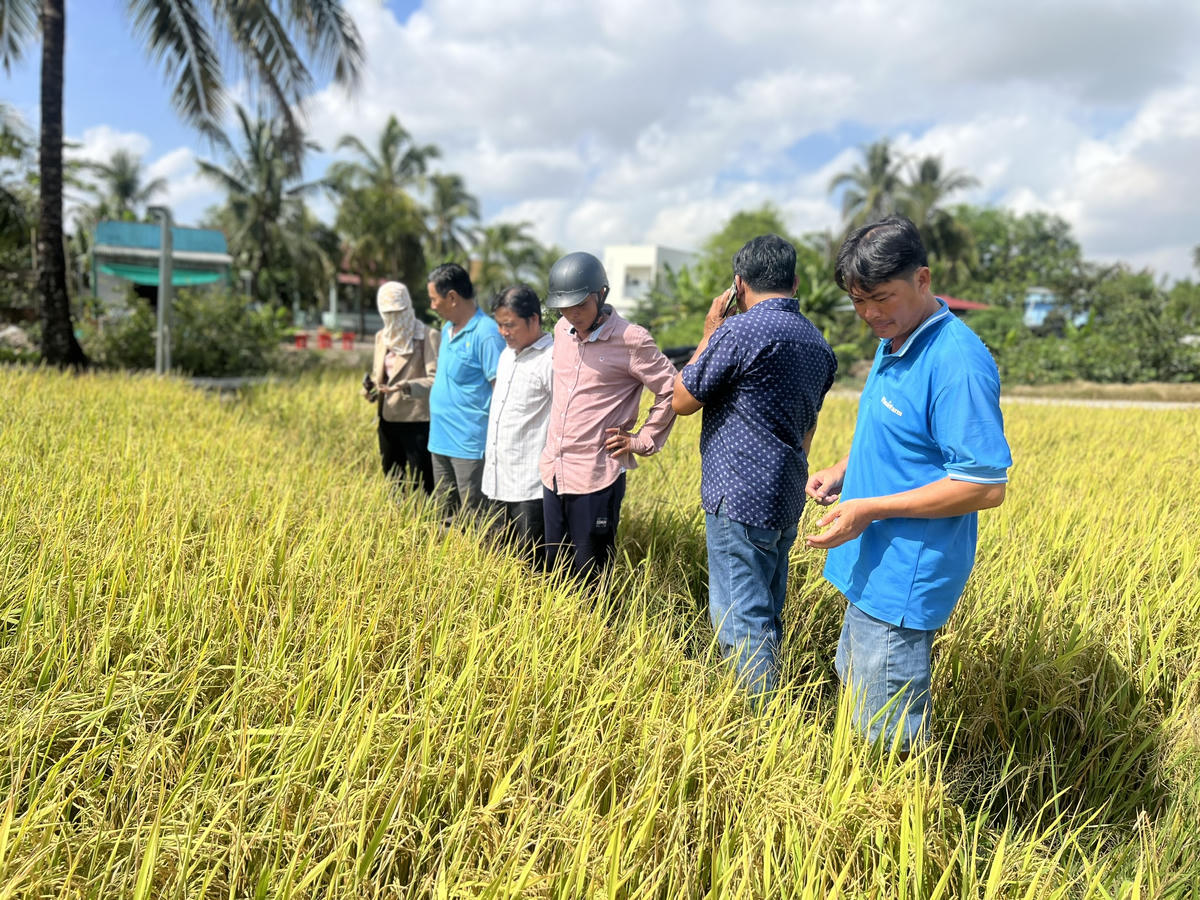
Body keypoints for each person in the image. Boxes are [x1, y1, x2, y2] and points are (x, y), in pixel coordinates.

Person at [805, 215, 1012, 751]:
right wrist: (844, 469)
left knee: (884, 738)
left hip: (903, 574)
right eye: (858, 301)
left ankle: (902, 825)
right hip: (867, 562)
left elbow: (984, 485)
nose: (870, 314)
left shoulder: (956, 362)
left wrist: (868, 508)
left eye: (881, 297)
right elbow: (894, 429)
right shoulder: (893, 337)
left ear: (922, 280)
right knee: (856, 700)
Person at [672, 234, 837, 699]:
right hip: (784, 496)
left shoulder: (738, 332)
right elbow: (808, 430)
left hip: (738, 496)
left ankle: (756, 729)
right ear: (796, 282)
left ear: (737, 285)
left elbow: (683, 399)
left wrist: (708, 333)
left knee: (740, 620)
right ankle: (769, 715)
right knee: (766, 610)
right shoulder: (818, 345)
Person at [539, 251, 677, 582]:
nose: (572, 314)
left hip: (595, 476)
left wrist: (642, 440)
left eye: (580, 305)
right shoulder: (561, 330)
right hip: (554, 472)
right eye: (564, 307)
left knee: (591, 576)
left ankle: (597, 632)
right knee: (556, 569)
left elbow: (672, 389)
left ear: (601, 295)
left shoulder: (631, 340)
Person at [426, 263, 506, 521]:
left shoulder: (487, 333)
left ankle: (484, 561)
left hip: (470, 446)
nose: (432, 306)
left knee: (477, 519)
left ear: (452, 297)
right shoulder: (446, 331)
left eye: (433, 299)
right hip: (440, 440)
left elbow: (501, 392)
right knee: (444, 515)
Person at [483, 284, 554, 561]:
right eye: (499, 325)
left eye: (509, 325)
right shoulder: (505, 355)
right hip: (496, 480)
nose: (503, 332)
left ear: (534, 319)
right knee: (497, 559)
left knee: (530, 565)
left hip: (530, 488)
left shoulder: (551, 359)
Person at [363, 281, 439, 493]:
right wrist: (370, 389)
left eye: (398, 312)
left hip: (416, 420)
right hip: (387, 418)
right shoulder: (381, 337)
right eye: (388, 313)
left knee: (422, 481)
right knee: (392, 476)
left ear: (407, 307)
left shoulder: (427, 336)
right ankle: (397, 520)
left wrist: (406, 386)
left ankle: (423, 522)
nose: (393, 319)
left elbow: (435, 380)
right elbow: (380, 375)